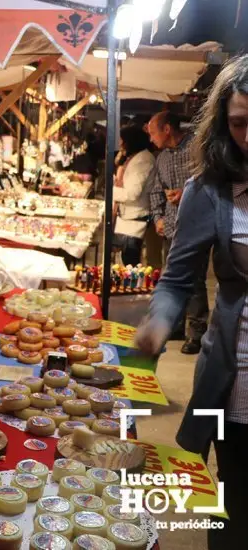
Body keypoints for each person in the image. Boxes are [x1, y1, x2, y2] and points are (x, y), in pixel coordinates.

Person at [135, 54, 248, 549]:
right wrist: (159, 322)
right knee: (235, 510)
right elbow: (177, 279)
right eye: (241, 123)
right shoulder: (211, 192)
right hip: (238, 374)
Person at [146, 110, 208, 354]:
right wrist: (157, 218)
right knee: (172, 277)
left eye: (153, 133)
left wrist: (188, 194)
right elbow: (154, 191)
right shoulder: (161, 158)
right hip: (171, 226)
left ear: (167, 129)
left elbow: (211, 181)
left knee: (196, 280)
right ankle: (176, 325)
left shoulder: (197, 148)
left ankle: (197, 332)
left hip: (197, 225)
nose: (151, 139)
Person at [111, 125, 155, 266]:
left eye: (122, 140)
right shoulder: (135, 157)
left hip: (134, 219)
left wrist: (111, 192)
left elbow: (132, 193)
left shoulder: (142, 160)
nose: (120, 144)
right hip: (128, 218)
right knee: (124, 260)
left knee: (129, 264)